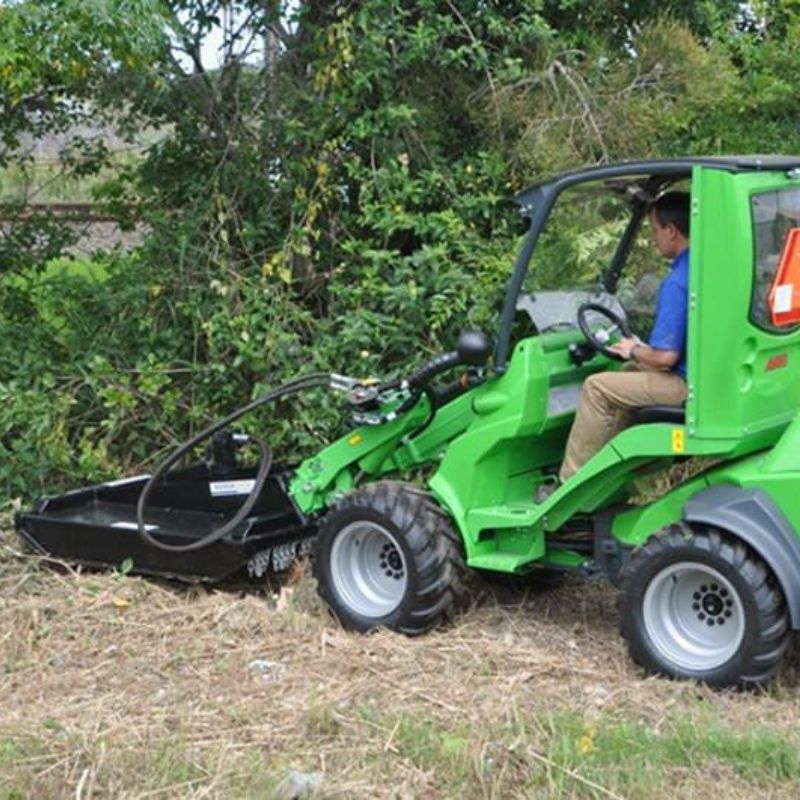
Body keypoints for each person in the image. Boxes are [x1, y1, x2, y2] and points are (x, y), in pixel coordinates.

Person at [537, 191, 690, 502]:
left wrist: (633, 348)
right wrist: (636, 356)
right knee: (629, 372)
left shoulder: (677, 282)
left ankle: (570, 489)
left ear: (672, 230)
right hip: (705, 378)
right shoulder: (705, 267)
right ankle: (609, 473)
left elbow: (664, 357)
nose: (653, 238)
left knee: (597, 387)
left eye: (655, 230)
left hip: (685, 385)